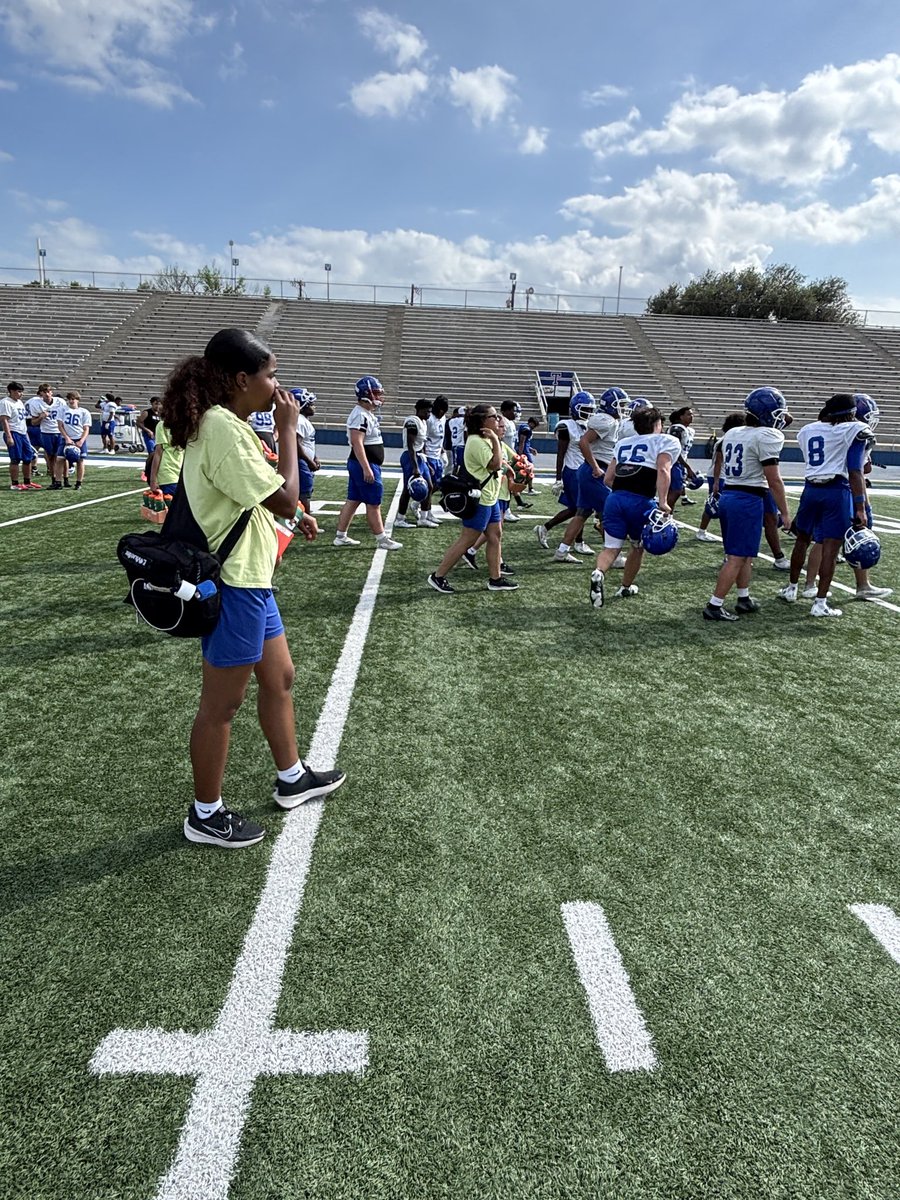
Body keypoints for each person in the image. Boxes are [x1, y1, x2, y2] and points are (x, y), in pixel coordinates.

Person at [160, 327, 345, 849]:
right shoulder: (222, 425)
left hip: (253, 581)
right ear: (242, 379)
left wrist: (296, 517)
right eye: (271, 374)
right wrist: (289, 430)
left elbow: (260, 501)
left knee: (280, 677)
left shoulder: (228, 422)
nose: (277, 384)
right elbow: (283, 496)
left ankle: (291, 778)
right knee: (221, 705)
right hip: (235, 584)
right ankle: (205, 813)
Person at [778, 393, 875, 618]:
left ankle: (792, 589)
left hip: (810, 489)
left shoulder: (807, 430)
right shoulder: (854, 428)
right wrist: (860, 507)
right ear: (850, 413)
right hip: (835, 490)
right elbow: (855, 470)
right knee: (830, 549)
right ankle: (820, 603)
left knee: (802, 540)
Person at [702, 387, 792, 622]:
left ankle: (743, 597)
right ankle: (714, 605)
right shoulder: (767, 436)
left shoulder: (734, 433)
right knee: (736, 557)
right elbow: (774, 479)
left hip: (730, 495)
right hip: (747, 498)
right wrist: (785, 512)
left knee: (744, 555)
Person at [589, 406, 681, 608]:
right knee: (637, 546)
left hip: (614, 499)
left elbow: (608, 479)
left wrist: (624, 491)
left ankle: (598, 573)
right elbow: (664, 470)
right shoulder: (665, 441)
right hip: (640, 501)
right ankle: (625, 586)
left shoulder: (623, 443)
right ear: (658, 425)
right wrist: (663, 501)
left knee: (611, 547)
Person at [428, 404, 518, 594]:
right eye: (494, 417)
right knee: (467, 540)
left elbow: (499, 462)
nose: (498, 420)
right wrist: (495, 440)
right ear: (483, 421)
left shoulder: (484, 439)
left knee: (495, 536)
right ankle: (438, 576)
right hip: (481, 499)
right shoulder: (477, 441)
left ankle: (495, 579)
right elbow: (493, 465)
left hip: (490, 497)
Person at [553, 387, 623, 564]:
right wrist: (595, 467)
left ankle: (562, 551)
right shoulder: (606, 421)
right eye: (620, 405)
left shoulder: (609, 421)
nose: (624, 408)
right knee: (608, 513)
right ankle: (612, 556)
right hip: (595, 471)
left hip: (590, 470)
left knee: (582, 513)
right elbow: (584, 441)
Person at [333, 375, 402, 550]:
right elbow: (357, 442)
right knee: (373, 503)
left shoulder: (365, 414)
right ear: (366, 394)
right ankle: (381, 539)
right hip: (364, 464)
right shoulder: (360, 415)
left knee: (353, 500)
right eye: (376, 393)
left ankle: (340, 536)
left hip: (363, 463)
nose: (379, 397)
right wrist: (366, 467)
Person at [534, 391, 594, 555]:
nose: (588, 413)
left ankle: (545, 528)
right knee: (581, 508)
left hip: (583, 470)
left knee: (579, 508)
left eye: (590, 409)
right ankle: (578, 541)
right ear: (575, 408)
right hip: (572, 470)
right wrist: (558, 478)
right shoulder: (566, 426)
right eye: (585, 409)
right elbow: (560, 454)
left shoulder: (589, 426)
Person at [395, 398, 440, 529]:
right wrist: (415, 467)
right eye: (427, 412)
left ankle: (423, 518)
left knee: (430, 486)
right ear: (419, 410)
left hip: (420, 457)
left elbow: (421, 445)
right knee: (408, 489)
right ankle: (400, 518)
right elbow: (410, 445)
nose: (429, 414)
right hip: (410, 457)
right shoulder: (412, 421)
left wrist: (426, 462)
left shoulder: (423, 422)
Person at [1, 381, 40, 490]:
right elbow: (4, 420)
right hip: (14, 432)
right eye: (18, 391)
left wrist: (26, 434)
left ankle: (27, 482)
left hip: (22, 433)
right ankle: (15, 483)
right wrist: (9, 436)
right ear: (11, 391)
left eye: (21, 392)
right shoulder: (5, 403)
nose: (21, 394)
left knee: (28, 457)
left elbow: (22, 420)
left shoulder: (19, 402)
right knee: (15, 459)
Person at [31, 384, 66, 489]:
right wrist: (41, 417)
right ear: (40, 393)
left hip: (59, 431)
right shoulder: (36, 404)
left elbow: (65, 417)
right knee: (50, 456)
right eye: (44, 391)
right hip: (46, 432)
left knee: (60, 456)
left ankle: (64, 479)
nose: (47, 393)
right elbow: (33, 422)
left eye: (48, 391)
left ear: (52, 392)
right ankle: (54, 479)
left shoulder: (60, 402)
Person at [57, 390, 92, 490]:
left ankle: (79, 482)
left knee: (80, 460)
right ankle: (58, 482)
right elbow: (60, 426)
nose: (71, 401)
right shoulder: (62, 410)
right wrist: (67, 438)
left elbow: (86, 429)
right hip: (66, 438)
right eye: (69, 399)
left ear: (78, 400)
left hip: (78, 438)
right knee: (59, 459)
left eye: (73, 399)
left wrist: (81, 440)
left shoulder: (84, 412)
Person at [667, 407, 701, 507]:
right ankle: (664, 515)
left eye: (692, 414)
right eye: (688, 414)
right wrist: (687, 467)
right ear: (681, 417)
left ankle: (668, 516)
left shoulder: (687, 430)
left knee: (674, 491)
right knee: (676, 491)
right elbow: (674, 451)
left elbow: (682, 452)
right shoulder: (677, 429)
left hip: (679, 463)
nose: (691, 416)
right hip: (673, 463)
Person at [293, 388, 320, 513]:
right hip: (301, 462)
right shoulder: (300, 421)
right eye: (310, 404)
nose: (314, 407)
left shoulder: (303, 420)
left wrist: (314, 457)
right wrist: (309, 461)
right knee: (304, 493)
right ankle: (306, 521)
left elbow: (307, 443)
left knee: (304, 492)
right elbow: (296, 444)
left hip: (303, 461)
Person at [147, 418, 183, 498]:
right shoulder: (163, 425)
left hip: (183, 476)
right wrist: (153, 480)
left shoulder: (188, 424)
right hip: (168, 475)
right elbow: (158, 453)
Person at [425, 394, 449, 489]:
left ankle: (419, 502)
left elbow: (440, 436)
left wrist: (442, 451)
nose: (442, 413)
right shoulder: (429, 419)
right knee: (429, 484)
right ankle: (419, 503)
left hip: (437, 455)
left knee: (438, 484)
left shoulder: (443, 418)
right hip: (429, 455)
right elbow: (424, 438)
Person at [137, 396, 163, 480]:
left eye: (159, 404)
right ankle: (146, 471)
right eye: (155, 404)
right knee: (152, 454)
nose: (157, 406)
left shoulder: (160, 414)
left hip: (158, 436)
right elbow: (138, 423)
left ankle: (155, 473)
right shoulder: (146, 412)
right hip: (149, 436)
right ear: (152, 404)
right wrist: (147, 430)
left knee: (158, 454)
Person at [516, 415, 541, 493]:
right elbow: (521, 442)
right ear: (531, 423)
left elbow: (524, 442)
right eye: (534, 425)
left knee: (523, 470)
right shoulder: (526, 429)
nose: (534, 427)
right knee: (530, 469)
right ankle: (530, 488)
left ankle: (519, 487)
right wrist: (520, 455)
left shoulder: (524, 427)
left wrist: (531, 449)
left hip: (524, 451)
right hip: (524, 453)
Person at [446, 405, 467, 471]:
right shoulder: (464, 421)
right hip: (461, 444)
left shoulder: (451, 421)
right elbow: (465, 433)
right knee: (462, 465)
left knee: (455, 465)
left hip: (454, 444)